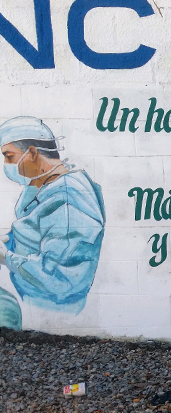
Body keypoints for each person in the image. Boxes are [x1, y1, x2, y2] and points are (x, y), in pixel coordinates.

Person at [0, 116, 105, 321]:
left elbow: (62, 278)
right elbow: (31, 230)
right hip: (32, 300)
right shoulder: (44, 185)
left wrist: (7, 258)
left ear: (31, 153)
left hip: (53, 311)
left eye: (9, 156)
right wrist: (9, 240)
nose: (6, 165)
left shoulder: (68, 201)